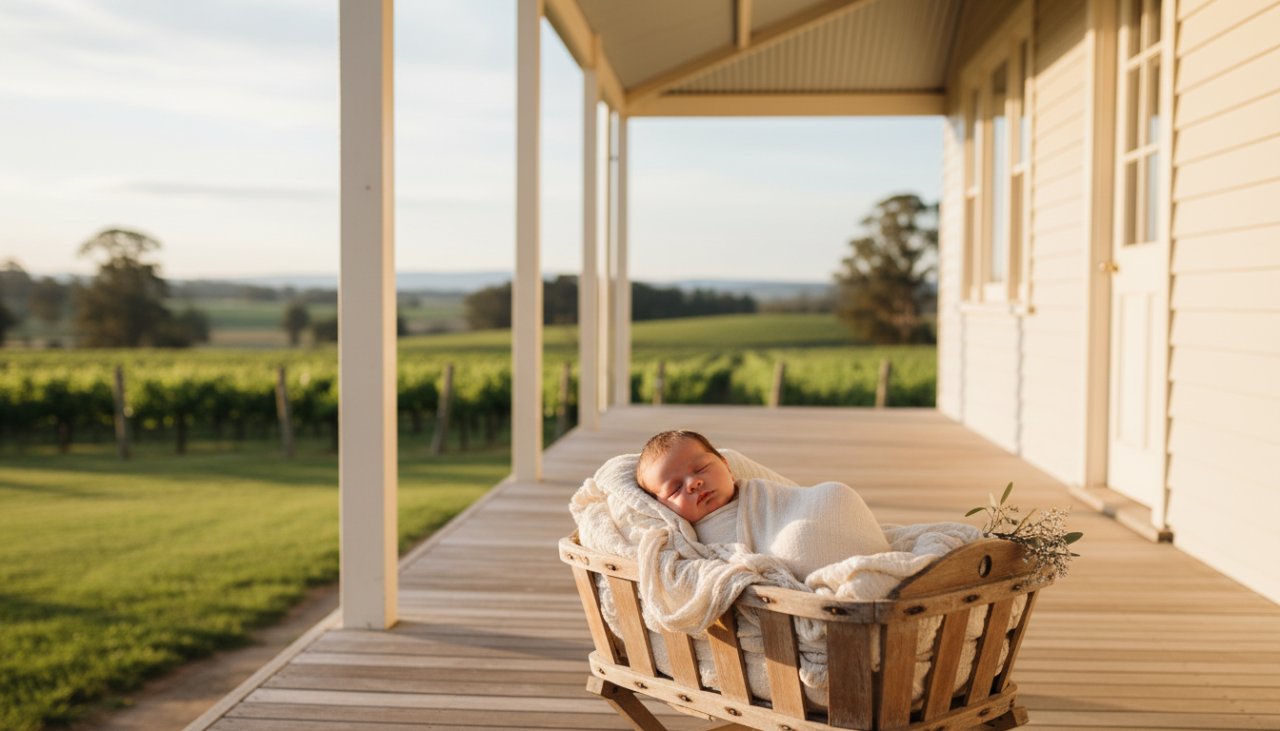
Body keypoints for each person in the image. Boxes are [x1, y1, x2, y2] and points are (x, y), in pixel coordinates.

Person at [635, 429, 891, 579]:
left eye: (701, 469)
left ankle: (868, 559)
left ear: (726, 466)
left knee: (835, 493)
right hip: (801, 548)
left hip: (819, 511)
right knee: (797, 540)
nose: (693, 483)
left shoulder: (757, 492)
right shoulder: (695, 539)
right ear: (663, 507)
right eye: (675, 489)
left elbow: (798, 497)